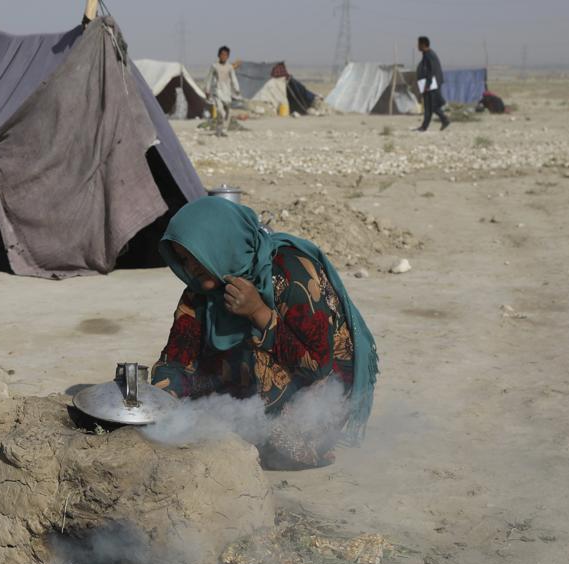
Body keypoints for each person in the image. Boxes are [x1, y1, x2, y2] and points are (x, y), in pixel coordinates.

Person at [151, 197, 378, 469]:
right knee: (188, 423)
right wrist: (161, 400)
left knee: (279, 448)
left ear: (218, 242)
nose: (190, 268)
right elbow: (176, 358)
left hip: (314, 392)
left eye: (195, 256)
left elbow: (318, 367)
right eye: (184, 260)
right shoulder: (200, 291)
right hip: (249, 389)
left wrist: (258, 312)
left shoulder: (292, 273)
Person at [416, 36, 449, 131]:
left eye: (418, 44)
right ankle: (444, 120)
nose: (417, 46)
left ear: (423, 44)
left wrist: (427, 85)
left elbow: (431, 71)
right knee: (431, 105)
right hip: (431, 84)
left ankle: (425, 126)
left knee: (429, 105)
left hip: (431, 84)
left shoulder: (429, 55)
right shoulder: (426, 54)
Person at [207, 46, 240, 136]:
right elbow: (209, 78)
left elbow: (234, 79)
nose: (224, 56)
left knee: (228, 113)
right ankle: (219, 130)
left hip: (227, 92)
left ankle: (223, 130)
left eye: (226, 55)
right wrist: (207, 90)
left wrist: (237, 89)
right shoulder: (214, 66)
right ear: (219, 55)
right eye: (222, 54)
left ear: (228, 56)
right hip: (217, 92)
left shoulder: (229, 67)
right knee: (220, 112)